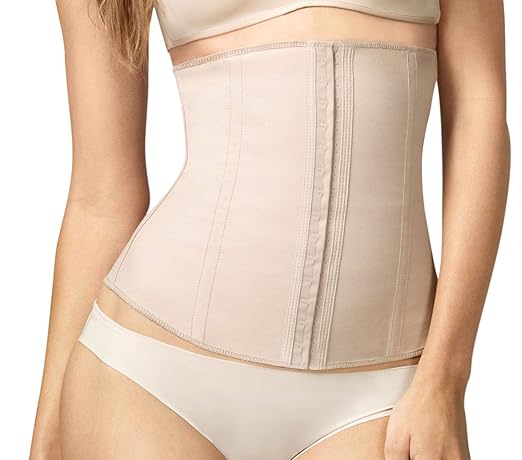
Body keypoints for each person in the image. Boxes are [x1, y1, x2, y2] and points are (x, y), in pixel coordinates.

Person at [30, 1, 510, 459]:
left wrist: (446, 380)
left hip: (382, 391)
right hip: (151, 376)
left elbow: (479, 108)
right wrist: (49, 436)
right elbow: (102, 198)